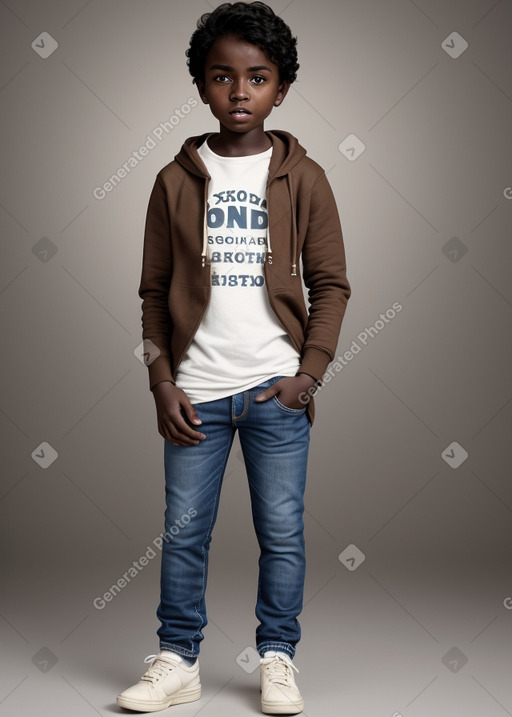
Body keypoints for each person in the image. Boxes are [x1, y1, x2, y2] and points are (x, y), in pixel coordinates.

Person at [117, 1, 351, 713]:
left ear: (280, 88)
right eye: (223, 76)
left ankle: (277, 657)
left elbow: (333, 283)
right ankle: (176, 660)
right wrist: (160, 380)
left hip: (276, 391)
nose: (239, 91)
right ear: (201, 86)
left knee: (281, 530)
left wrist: (307, 375)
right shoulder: (173, 179)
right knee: (184, 531)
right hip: (195, 395)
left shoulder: (304, 178)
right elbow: (153, 291)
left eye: (257, 77)